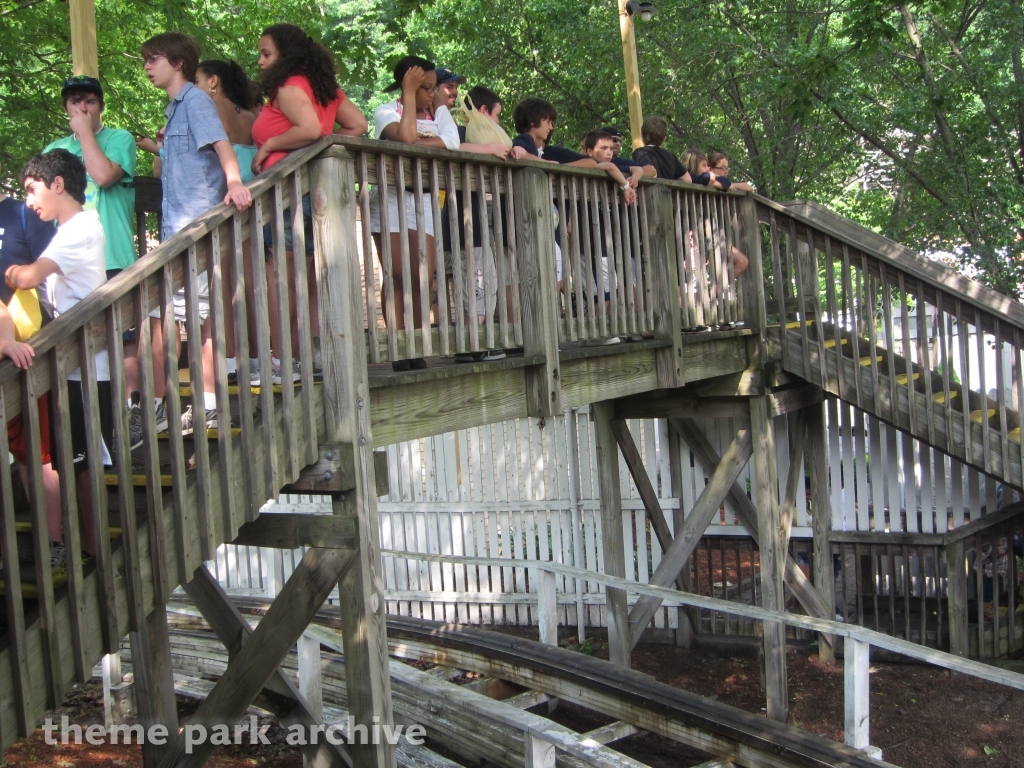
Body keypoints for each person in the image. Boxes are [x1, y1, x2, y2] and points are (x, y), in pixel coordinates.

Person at [142, 31, 253, 434]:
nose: (147, 67)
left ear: (177, 63)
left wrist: (235, 183)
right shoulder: (175, 109)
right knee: (173, 316)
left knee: (199, 318)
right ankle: (167, 404)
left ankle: (205, 404)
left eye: (153, 59)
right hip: (177, 228)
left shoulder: (195, 101)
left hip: (197, 226)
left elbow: (222, 145)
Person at [8, 150, 110, 558]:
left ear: (58, 184)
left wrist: (12, 271)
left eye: (32, 190)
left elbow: (29, 276)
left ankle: (92, 549)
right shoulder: (68, 230)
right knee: (75, 460)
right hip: (70, 365)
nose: (29, 201)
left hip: (85, 366)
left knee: (83, 463)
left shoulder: (79, 230)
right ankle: (83, 546)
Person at [252, 24, 367, 382]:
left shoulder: (288, 88)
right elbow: (356, 124)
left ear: (286, 56)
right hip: (313, 190)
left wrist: (270, 146)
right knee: (309, 279)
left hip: (287, 192)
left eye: (266, 54)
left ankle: (281, 359)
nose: (259, 62)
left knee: (282, 278)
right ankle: (308, 357)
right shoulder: (324, 87)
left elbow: (310, 129)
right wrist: (318, 154)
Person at [44, 75, 141, 432]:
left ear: (100, 106)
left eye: (89, 101)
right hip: (69, 262)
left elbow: (102, 176)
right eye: (74, 102)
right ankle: (87, 421)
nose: (81, 108)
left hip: (115, 258)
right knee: (77, 340)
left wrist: (85, 133)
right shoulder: (54, 149)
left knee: (125, 338)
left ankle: (132, 413)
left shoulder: (119, 139)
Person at [372, 55, 459, 371]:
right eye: (425, 88)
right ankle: (399, 347)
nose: (431, 95)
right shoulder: (385, 111)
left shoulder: (439, 113)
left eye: (433, 88)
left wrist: (431, 131)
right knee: (397, 275)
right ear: (407, 85)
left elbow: (453, 141)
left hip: (425, 200)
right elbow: (406, 138)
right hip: (391, 197)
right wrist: (409, 96)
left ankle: (417, 345)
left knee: (422, 274)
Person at [0, 162, 62, 551]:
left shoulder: (21, 214)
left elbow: (52, 272)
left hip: (28, 351)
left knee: (37, 454)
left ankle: (53, 543)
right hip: (9, 349)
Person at [680, 149, 748, 277]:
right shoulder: (690, 179)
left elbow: (740, 186)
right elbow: (709, 179)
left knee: (742, 261)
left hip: (710, 235)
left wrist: (720, 182)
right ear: (693, 165)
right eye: (704, 166)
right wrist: (716, 180)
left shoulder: (703, 180)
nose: (707, 169)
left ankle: (716, 292)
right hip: (692, 235)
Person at [632, 116, 691, 182]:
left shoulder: (640, 153)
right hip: (668, 192)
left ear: (642, 135)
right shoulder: (671, 156)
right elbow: (688, 179)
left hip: (650, 191)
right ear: (664, 138)